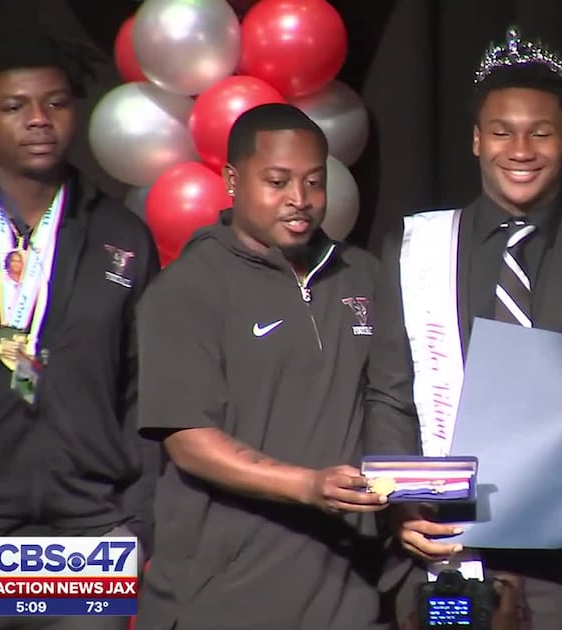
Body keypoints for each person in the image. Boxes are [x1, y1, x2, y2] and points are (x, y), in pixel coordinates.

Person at [365, 26, 562, 630]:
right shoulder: (419, 250)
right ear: (476, 140)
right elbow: (391, 394)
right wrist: (399, 510)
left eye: (540, 133)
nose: (519, 148)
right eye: (501, 132)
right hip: (442, 554)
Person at [134, 104, 389, 630]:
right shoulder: (186, 289)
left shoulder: (362, 276)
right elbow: (189, 441)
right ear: (232, 179)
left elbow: (391, 400)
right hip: (221, 600)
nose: (299, 200)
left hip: (347, 599)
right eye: (277, 181)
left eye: (314, 182)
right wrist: (308, 485)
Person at [0, 23, 160, 629]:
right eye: (14, 106)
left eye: (54, 103)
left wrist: (137, 522)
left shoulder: (121, 236)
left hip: (86, 543)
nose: (38, 120)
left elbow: (144, 388)